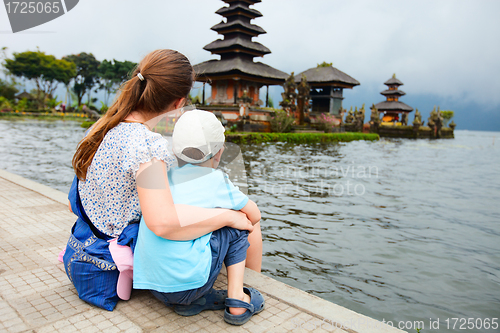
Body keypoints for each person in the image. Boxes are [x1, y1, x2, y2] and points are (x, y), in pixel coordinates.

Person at [63, 49, 258, 311]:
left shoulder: (102, 128)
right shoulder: (146, 144)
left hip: (82, 248)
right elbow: (162, 223)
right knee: (244, 222)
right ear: (178, 103)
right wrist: (227, 216)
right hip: (114, 263)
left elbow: (71, 202)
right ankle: (245, 288)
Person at [133, 110, 264, 325]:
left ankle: (191, 301)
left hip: (153, 287)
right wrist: (231, 215)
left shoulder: (164, 177)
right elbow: (255, 215)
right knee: (241, 223)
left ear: (174, 151)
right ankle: (238, 299)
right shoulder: (217, 180)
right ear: (219, 153)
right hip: (189, 286)